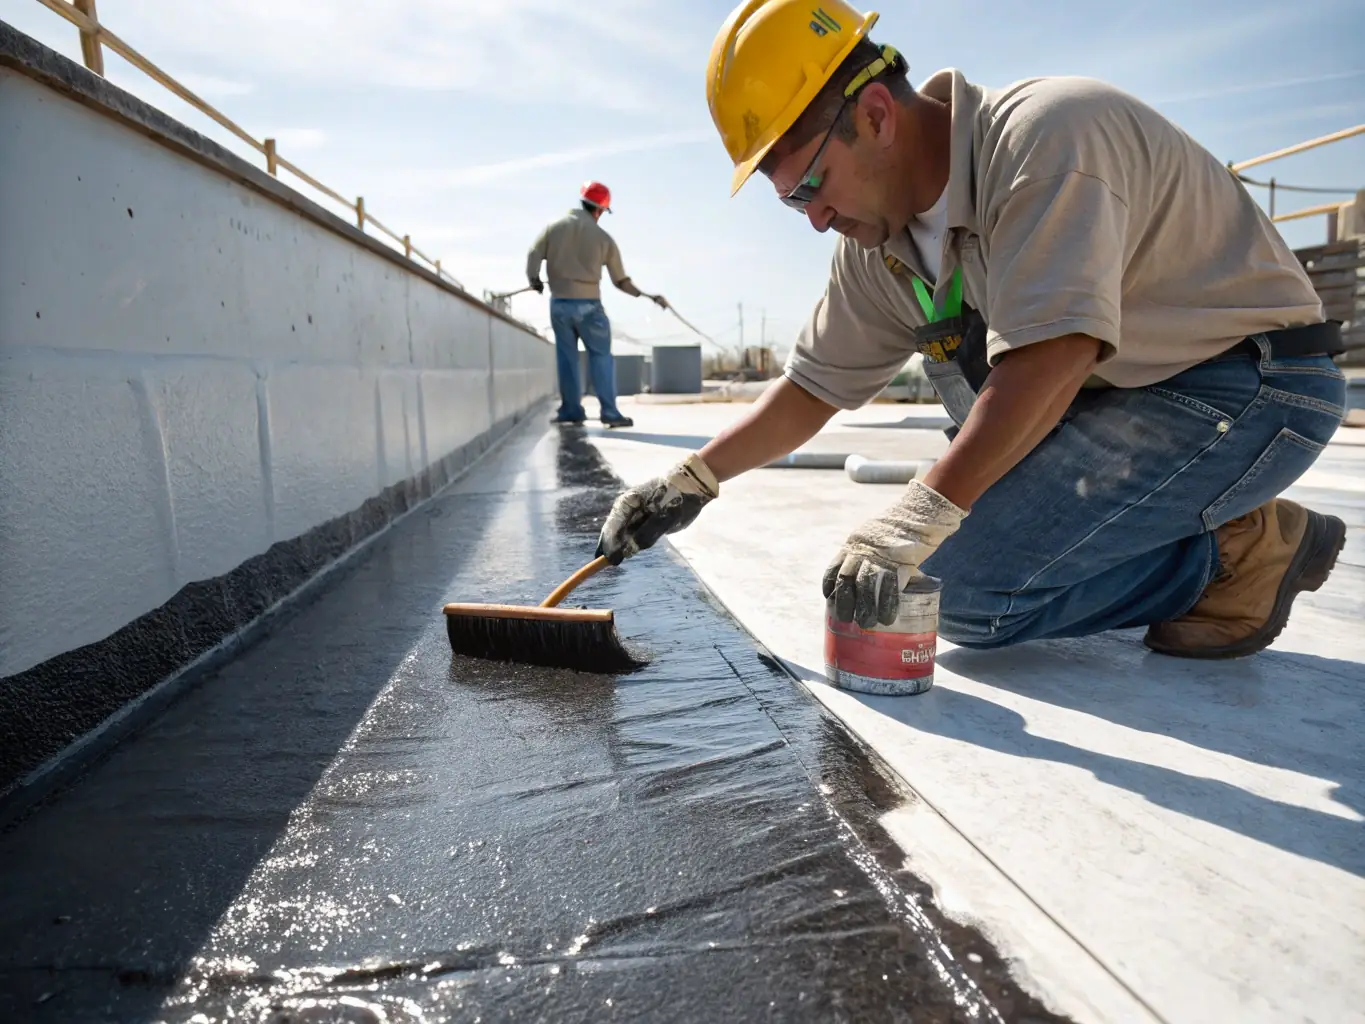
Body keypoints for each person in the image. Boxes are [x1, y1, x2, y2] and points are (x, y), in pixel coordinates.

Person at [594, 0, 1349, 660]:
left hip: (1249, 388)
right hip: (1123, 401)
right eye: (794, 203)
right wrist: (691, 480)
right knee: (949, 556)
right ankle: (1182, 535)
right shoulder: (877, 244)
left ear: (875, 116)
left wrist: (919, 515)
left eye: (810, 186)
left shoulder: (1045, 140)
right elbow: (813, 387)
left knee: (962, 594)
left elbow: (1054, 353)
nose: (815, 218)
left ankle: (1237, 551)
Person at [527, 181, 669, 428]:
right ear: (600, 210)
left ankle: (571, 410)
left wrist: (535, 280)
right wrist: (647, 296)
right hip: (590, 306)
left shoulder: (554, 227)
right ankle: (610, 413)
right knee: (601, 357)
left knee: (567, 359)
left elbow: (533, 254)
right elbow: (620, 281)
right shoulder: (603, 238)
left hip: (560, 304)